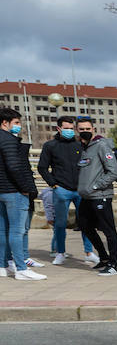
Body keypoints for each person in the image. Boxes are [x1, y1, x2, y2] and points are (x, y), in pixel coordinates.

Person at [36, 115, 90, 265]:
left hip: (80, 190)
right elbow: (42, 167)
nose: (69, 131)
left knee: (86, 222)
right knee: (60, 224)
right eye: (66, 129)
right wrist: (53, 184)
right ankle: (60, 252)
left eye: (71, 129)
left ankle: (89, 252)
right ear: (59, 129)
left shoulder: (80, 144)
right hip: (61, 190)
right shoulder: (50, 146)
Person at [0, 107, 44, 280]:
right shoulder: (9, 140)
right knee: (16, 231)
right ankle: (21, 268)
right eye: (16, 123)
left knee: (3, 231)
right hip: (14, 191)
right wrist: (26, 188)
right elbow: (14, 167)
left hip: (2, 191)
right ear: (5, 123)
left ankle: (3, 266)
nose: (19, 126)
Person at [75, 117, 117, 276]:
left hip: (100, 195)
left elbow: (114, 171)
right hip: (87, 197)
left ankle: (114, 264)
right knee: (84, 225)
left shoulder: (101, 146)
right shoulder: (84, 148)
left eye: (88, 129)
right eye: (82, 129)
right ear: (77, 131)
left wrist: (95, 186)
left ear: (93, 130)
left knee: (109, 230)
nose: (85, 132)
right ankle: (103, 257)